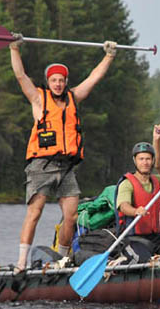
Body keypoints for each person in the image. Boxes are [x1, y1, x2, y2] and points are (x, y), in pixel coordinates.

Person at [10, 34, 118, 274]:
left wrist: (109, 56)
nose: (58, 84)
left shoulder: (73, 98)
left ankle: (62, 258)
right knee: (35, 212)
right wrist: (15, 49)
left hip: (67, 167)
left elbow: (94, 77)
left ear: (66, 82)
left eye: (61, 80)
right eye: (54, 80)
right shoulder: (39, 99)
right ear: (49, 82)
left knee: (71, 216)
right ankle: (21, 262)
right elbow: (20, 76)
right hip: (41, 165)